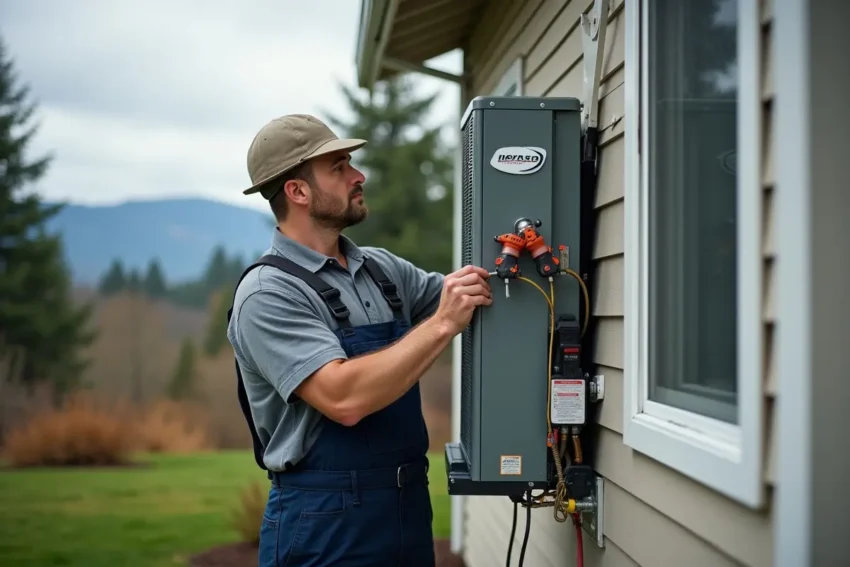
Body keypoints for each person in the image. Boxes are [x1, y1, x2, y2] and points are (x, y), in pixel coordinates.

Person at [226, 114, 493, 567]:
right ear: (298, 191)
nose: (358, 175)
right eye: (339, 167)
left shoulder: (381, 270)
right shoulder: (268, 293)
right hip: (323, 524)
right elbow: (342, 397)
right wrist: (442, 324)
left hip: (407, 509)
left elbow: (464, 297)